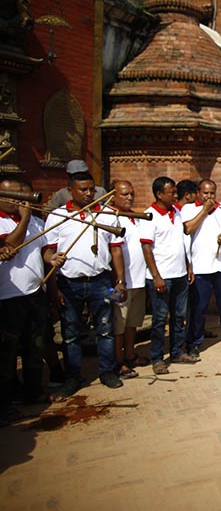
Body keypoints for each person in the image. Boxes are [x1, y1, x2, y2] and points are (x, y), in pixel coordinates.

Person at [43, 171, 127, 396]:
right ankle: (73, 376)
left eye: (92, 189)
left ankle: (107, 371)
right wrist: (52, 265)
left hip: (101, 281)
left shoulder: (107, 214)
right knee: (70, 333)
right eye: (83, 189)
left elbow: (116, 250)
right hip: (69, 283)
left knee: (105, 329)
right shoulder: (59, 216)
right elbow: (48, 252)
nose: (89, 193)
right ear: (70, 190)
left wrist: (120, 281)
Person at [0, 179, 64, 413]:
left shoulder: (37, 222)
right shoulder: (10, 221)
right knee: (7, 355)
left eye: (22, 195)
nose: (20, 200)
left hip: (34, 293)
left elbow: (43, 251)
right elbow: (11, 244)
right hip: (7, 298)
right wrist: (25, 217)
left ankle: (33, 392)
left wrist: (52, 259)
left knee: (34, 347)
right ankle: (6, 403)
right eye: (13, 195)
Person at [139, 176, 197, 374]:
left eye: (175, 192)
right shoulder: (149, 216)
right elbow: (146, 248)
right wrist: (156, 276)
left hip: (180, 274)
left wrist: (188, 266)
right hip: (161, 276)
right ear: (159, 194)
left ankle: (176, 351)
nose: (175, 195)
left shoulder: (177, 213)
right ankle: (157, 357)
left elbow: (182, 242)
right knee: (159, 318)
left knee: (179, 315)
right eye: (171, 192)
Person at [181, 179, 221, 352]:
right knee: (198, 307)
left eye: (212, 193)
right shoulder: (189, 209)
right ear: (198, 193)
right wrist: (205, 210)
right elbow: (188, 228)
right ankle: (194, 341)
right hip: (200, 266)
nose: (209, 196)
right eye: (205, 193)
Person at [109, 180, 150, 379]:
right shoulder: (109, 219)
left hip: (139, 280)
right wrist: (118, 280)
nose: (129, 198)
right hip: (121, 283)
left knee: (132, 323)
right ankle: (118, 361)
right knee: (119, 324)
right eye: (124, 194)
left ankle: (131, 354)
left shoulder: (136, 218)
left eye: (131, 194)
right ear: (112, 196)